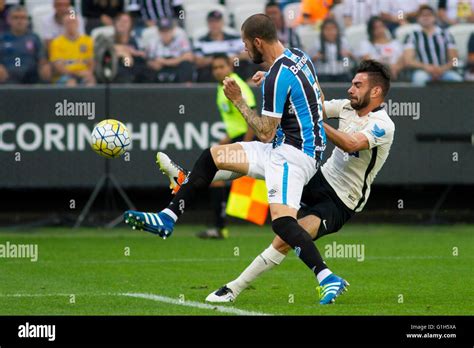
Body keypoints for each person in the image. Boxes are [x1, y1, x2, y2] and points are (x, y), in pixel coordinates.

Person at [124, 14, 347, 305]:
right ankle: (167, 217)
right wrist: (269, 79)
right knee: (213, 157)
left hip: (292, 155)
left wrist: (239, 99)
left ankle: (326, 276)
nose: (244, 50)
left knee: (282, 224)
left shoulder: (277, 78)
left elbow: (265, 132)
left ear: (257, 42)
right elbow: (315, 93)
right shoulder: (299, 57)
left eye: (245, 43)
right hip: (289, 148)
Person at [155, 60, 395, 304]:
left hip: (342, 200)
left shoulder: (383, 125)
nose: (350, 89)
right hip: (319, 178)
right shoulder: (346, 107)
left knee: (285, 240)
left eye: (357, 85)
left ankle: (233, 288)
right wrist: (274, 79)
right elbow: (311, 102)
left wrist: (312, 121)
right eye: (352, 84)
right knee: (269, 163)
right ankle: (189, 179)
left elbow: (351, 143)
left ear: (375, 91)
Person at [158, 54, 256, 239]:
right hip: (239, 138)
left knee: (216, 176)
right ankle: (219, 228)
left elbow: (252, 117)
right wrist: (221, 145)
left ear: (230, 67)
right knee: (214, 175)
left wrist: (247, 145)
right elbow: (235, 124)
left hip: (250, 139)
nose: (218, 70)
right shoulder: (223, 88)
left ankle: (184, 179)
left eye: (222, 66)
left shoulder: (237, 86)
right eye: (215, 67)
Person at [403, 5, 463, 86]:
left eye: (429, 15)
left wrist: (442, 69)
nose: (426, 17)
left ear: (435, 17)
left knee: (457, 80)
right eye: (422, 15)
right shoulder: (412, 36)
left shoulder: (446, 35)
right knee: (419, 79)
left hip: (444, 71)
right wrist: (426, 67)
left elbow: (455, 60)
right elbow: (408, 61)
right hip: (423, 71)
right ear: (417, 19)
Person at [193, 10, 249, 82]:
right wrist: (217, 61)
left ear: (222, 23)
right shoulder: (201, 41)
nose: (214, 24)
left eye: (217, 21)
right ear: (208, 23)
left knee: (243, 64)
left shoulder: (234, 38)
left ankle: (249, 86)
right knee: (206, 70)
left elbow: (247, 54)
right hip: (211, 68)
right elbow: (197, 61)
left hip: (233, 65)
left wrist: (234, 58)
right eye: (212, 22)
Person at [0, 6, 51, 84]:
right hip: (7, 77)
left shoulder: (34, 38)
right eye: (15, 18)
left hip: (31, 76)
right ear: (9, 20)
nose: (20, 21)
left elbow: (42, 58)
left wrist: (44, 66)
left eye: (23, 18)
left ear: (27, 21)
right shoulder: (2, 38)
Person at [49, 14, 95, 86]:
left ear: (78, 23)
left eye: (73, 22)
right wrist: (76, 74)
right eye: (68, 22)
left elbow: (91, 62)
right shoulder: (57, 42)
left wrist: (89, 72)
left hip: (84, 74)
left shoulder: (88, 41)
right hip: (65, 76)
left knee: (90, 82)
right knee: (71, 83)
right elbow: (58, 67)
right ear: (63, 24)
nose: (71, 25)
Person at [146, 17, 194, 83]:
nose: (165, 34)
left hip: (176, 68)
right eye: (163, 31)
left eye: (168, 31)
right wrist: (153, 64)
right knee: (146, 69)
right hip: (161, 70)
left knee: (186, 65)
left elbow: (189, 57)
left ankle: (187, 90)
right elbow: (149, 61)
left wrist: (165, 62)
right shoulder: (153, 43)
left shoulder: (181, 40)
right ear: (158, 31)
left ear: (173, 30)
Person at [309, 18, 353, 82]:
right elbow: (308, 63)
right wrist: (315, 57)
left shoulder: (343, 42)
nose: (330, 32)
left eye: (333, 29)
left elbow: (347, 65)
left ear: (337, 30)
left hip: (341, 73)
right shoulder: (317, 44)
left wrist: (347, 56)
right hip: (323, 74)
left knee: (347, 77)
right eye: (327, 29)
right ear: (322, 31)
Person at [111, 12, 147, 83]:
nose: (122, 24)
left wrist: (125, 55)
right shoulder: (109, 39)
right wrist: (124, 51)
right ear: (115, 23)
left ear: (131, 25)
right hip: (111, 72)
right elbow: (104, 51)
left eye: (125, 21)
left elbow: (128, 64)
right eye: (119, 20)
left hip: (130, 73)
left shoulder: (136, 41)